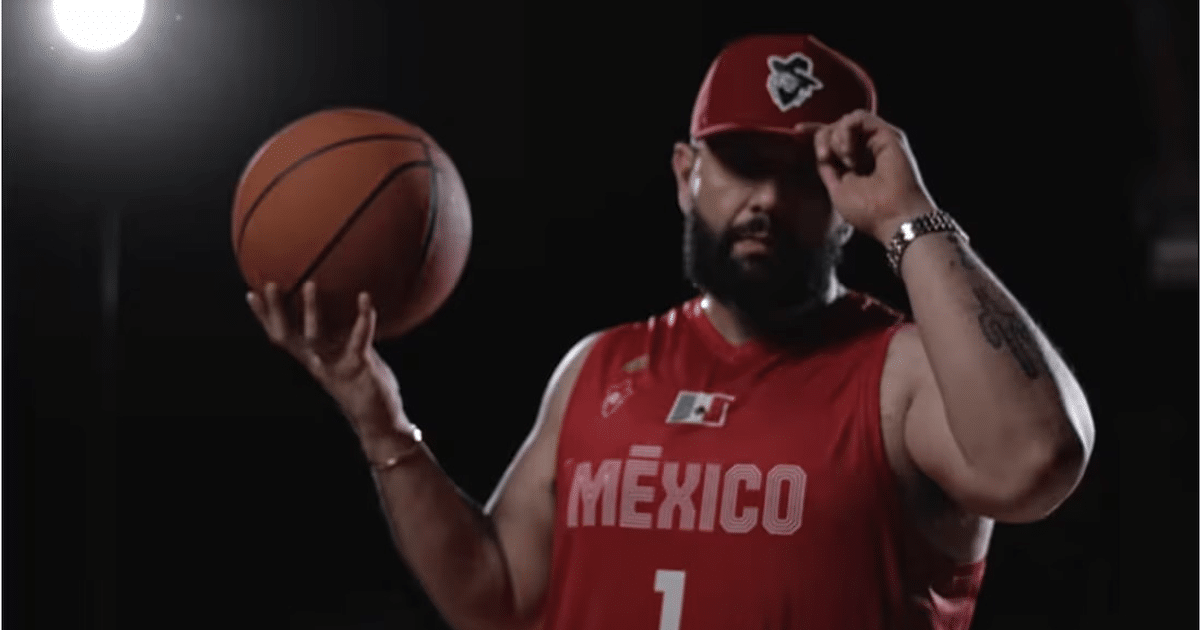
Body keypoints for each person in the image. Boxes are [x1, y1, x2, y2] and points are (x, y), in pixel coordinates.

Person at [247, 34, 1094, 630]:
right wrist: (379, 421)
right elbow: (495, 597)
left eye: (803, 174)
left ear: (845, 193)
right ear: (689, 176)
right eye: (742, 166)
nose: (766, 199)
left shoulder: (902, 369)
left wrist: (911, 216)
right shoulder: (599, 367)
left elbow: (1035, 461)